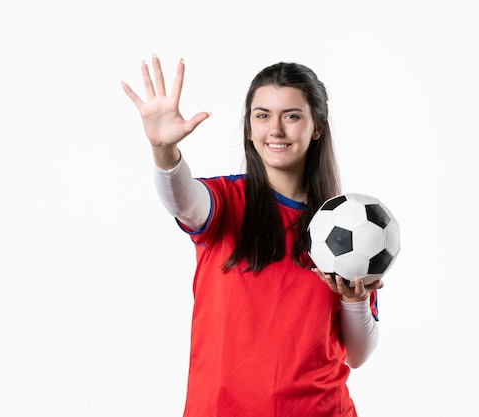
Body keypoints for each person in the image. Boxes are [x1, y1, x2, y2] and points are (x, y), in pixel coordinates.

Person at [121, 55, 383, 417]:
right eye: (262, 115)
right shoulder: (226, 202)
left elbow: (357, 355)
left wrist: (354, 302)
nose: (275, 129)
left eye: (291, 116)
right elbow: (183, 201)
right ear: (248, 127)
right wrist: (164, 152)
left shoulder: (349, 225)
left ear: (317, 127)